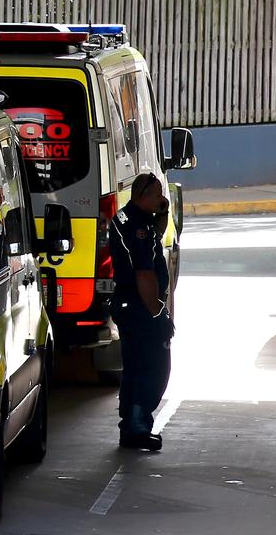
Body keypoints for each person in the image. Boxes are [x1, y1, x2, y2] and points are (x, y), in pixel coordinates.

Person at [108, 172, 174, 450]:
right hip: (139, 307)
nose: (162, 199)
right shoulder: (139, 229)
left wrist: (164, 210)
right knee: (153, 368)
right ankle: (137, 425)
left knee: (135, 367)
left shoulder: (127, 217)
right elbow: (145, 274)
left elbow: (157, 230)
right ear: (143, 196)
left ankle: (132, 426)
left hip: (127, 305)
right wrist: (158, 315)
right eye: (157, 194)